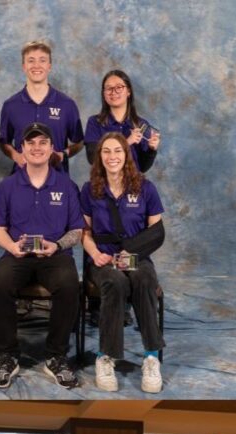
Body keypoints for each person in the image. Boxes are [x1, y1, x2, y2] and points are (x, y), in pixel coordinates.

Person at [0, 122, 85, 389]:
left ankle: (56, 356)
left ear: (52, 148)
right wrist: (12, 247)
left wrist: (57, 245)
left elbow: (77, 230)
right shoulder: (8, 185)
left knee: (68, 285)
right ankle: (7, 355)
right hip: (17, 254)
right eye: (31, 143)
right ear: (23, 148)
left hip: (54, 254)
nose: (37, 147)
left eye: (43, 142)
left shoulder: (66, 185)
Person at [82, 131, 166, 394]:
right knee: (115, 282)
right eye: (106, 151)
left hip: (136, 256)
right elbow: (84, 232)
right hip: (102, 257)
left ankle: (151, 356)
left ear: (126, 154)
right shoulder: (90, 189)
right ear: (100, 157)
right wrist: (95, 253)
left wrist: (131, 253)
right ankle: (105, 356)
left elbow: (157, 232)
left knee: (144, 278)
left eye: (117, 150)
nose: (112, 156)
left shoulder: (145, 187)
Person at [0, 41, 83, 174]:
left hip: (57, 182)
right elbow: (4, 142)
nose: (36, 65)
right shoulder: (10, 105)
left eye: (42, 60)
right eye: (31, 60)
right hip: (21, 181)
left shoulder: (67, 104)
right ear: (24, 66)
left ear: (49, 66)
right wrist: (16, 156)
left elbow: (79, 142)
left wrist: (63, 155)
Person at [85, 70, 159, 174]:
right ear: (104, 93)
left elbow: (143, 167)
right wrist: (127, 142)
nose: (113, 92)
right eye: (109, 88)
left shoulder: (141, 125)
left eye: (119, 87)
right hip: (104, 184)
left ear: (128, 91)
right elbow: (92, 158)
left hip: (133, 185)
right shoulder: (95, 122)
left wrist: (152, 149)